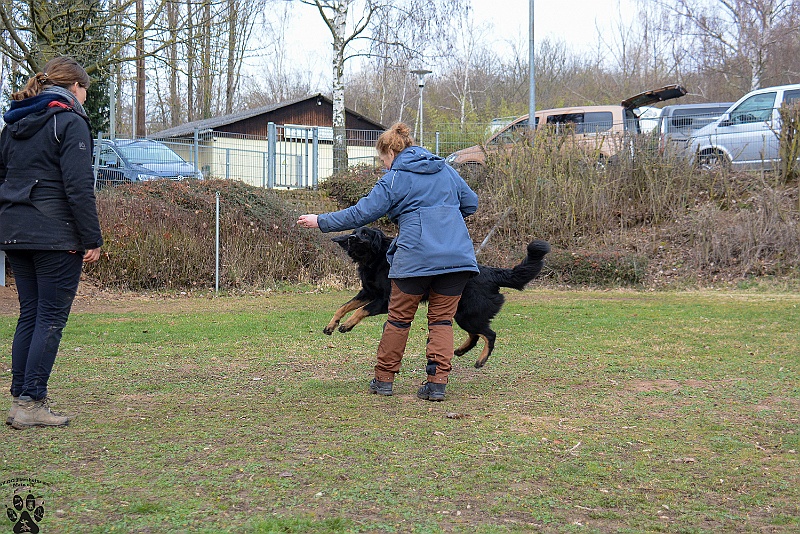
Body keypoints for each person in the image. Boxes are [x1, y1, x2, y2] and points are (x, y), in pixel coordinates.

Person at [297, 122, 479, 401]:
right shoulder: (444, 169)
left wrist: (320, 220)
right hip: (457, 257)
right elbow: (471, 203)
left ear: (391, 153)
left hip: (415, 257)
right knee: (442, 321)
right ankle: (437, 384)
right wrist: (444, 219)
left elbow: (361, 213)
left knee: (399, 319)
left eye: (383, 161)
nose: (384, 166)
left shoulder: (395, 178)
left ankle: (383, 380)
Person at [0, 57, 103, 429]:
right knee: (50, 318)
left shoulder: (13, 124)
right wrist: (92, 238)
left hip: (15, 230)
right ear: (75, 87)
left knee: (30, 314)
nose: (85, 98)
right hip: (55, 234)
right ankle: (31, 403)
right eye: (85, 91)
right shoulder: (69, 122)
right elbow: (79, 187)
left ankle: (20, 402)